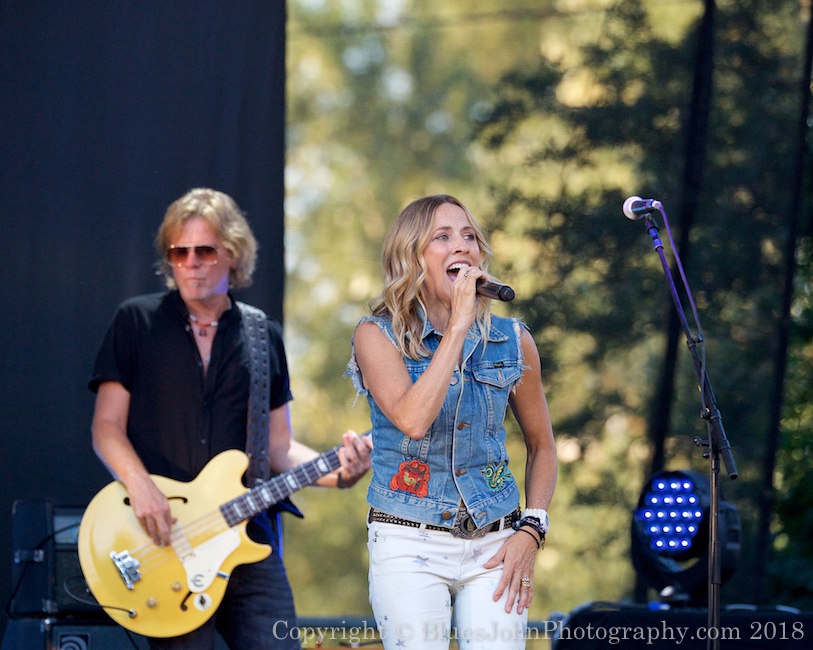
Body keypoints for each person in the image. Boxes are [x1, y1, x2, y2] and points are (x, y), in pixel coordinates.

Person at [88, 187, 372, 650]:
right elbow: (106, 428)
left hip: (249, 538)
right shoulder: (135, 322)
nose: (191, 262)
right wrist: (143, 490)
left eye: (205, 250)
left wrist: (339, 471)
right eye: (180, 252)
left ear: (233, 255)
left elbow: (278, 447)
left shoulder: (263, 336)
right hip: (165, 537)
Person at [346, 194, 557, 650]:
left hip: (497, 540)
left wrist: (532, 529)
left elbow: (542, 446)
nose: (461, 246)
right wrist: (459, 325)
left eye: (469, 236)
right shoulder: (375, 335)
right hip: (408, 541)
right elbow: (412, 419)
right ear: (412, 257)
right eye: (442, 237)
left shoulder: (513, 340)